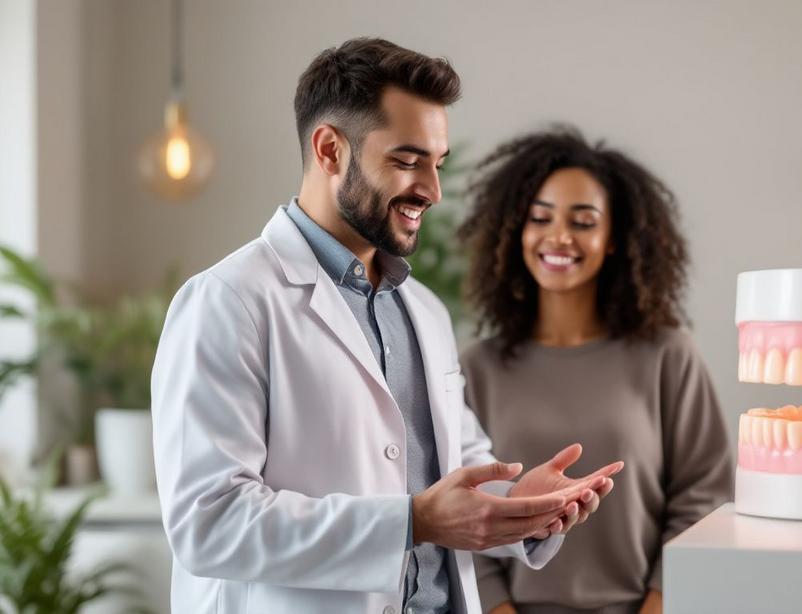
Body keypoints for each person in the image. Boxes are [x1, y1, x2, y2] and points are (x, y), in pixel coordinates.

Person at [151, 40, 622, 614]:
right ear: (330, 149)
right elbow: (210, 523)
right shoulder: (228, 301)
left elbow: (454, 465)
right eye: (406, 161)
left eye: (437, 163)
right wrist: (412, 522)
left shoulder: (421, 309)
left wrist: (520, 505)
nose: (432, 189)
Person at [458, 128, 732, 614]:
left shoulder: (667, 355)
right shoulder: (475, 369)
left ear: (613, 240)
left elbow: (703, 497)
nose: (559, 236)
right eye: (539, 218)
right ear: (514, 232)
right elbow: (462, 513)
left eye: (583, 221)